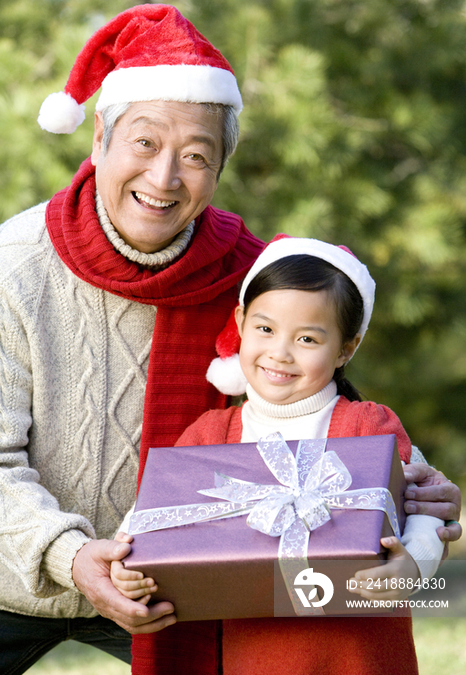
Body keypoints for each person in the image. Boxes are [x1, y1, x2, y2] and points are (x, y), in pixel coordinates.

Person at [0, 2, 460, 675]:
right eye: (146, 144)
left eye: (195, 156)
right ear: (99, 138)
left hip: (181, 589)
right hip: (16, 569)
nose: (164, 179)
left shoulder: (255, 283)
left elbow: (326, 421)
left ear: (220, 169)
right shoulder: (13, 268)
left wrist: (412, 488)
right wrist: (67, 556)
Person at [112, 237, 446, 675]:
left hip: (360, 656)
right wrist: (126, 568)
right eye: (265, 329)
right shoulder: (211, 434)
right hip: (255, 654)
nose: (280, 352)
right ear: (241, 322)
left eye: (307, 338)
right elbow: (151, 519)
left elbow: (427, 506)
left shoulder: (367, 426)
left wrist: (413, 565)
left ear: (346, 348)